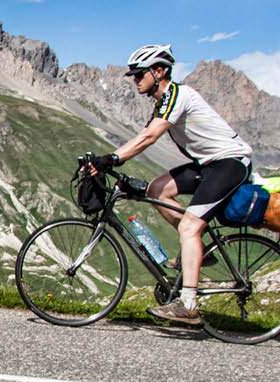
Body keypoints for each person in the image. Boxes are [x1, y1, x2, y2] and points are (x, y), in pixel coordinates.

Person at [88, 44, 253, 324]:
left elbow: (150, 137)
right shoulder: (162, 102)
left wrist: (112, 159)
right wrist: (110, 160)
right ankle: (198, 249)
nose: (135, 80)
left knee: (190, 226)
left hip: (230, 163)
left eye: (140, 74)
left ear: (159, 71)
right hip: (208, 165)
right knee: (156, 189)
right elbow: (143, 134)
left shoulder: (178, 95)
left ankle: (188, 305)